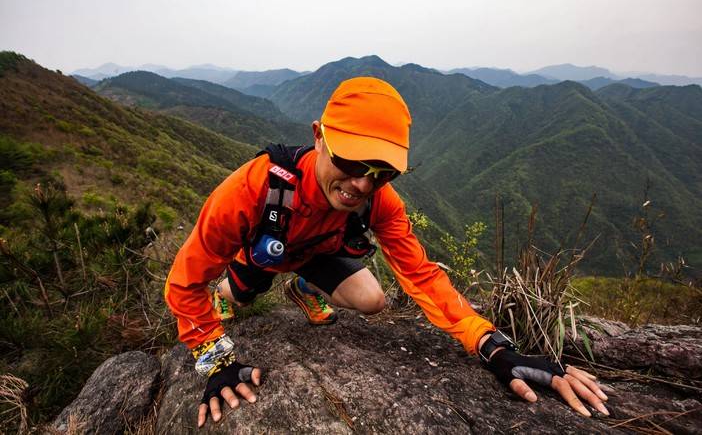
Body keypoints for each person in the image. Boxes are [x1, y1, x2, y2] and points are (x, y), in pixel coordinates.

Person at [164, 77, 609, 428]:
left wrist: (492, 345)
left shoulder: (380, 202)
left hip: (313, 256)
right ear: (319, 137)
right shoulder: (255, 188)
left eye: (382, 171)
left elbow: (422, 276)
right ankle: (233, 291)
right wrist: (215, 360)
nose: (362, 184)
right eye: (350, 162)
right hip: (264, 253)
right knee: (236, 299)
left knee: (373, 300)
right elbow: (184, 282)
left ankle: (304, 287)